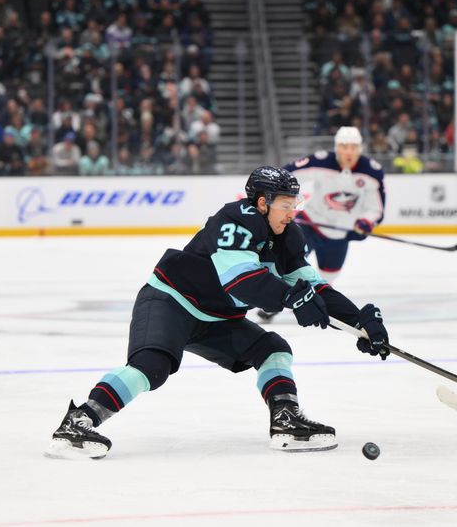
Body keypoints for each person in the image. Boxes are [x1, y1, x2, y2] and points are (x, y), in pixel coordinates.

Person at [46, 166, 390, 459]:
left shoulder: (289, 236)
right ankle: (78, 422)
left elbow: (315, 289)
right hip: (171, 302)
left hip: (217, 319)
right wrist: (291, 298)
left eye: (295, 204)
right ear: (262, 203)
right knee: (152, 367)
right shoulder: (234, 220)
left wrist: (360, 321)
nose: (293, 212)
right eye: (286, 204)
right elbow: (241, 282)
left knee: (274, 350)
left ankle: (285, 420)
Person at [256, 126, 385, 321]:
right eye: (344, 146)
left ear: (360, 148)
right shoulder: (322, 160)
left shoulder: (371, 172)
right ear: (336, 147)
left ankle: (315, 304)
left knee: (329, 276)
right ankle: (274, 304)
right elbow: (287, 174)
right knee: (289, 265)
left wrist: (366, 221)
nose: (348, 152)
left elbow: (376, 207)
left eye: (353, 147)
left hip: (339, 234)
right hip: (310, 226)